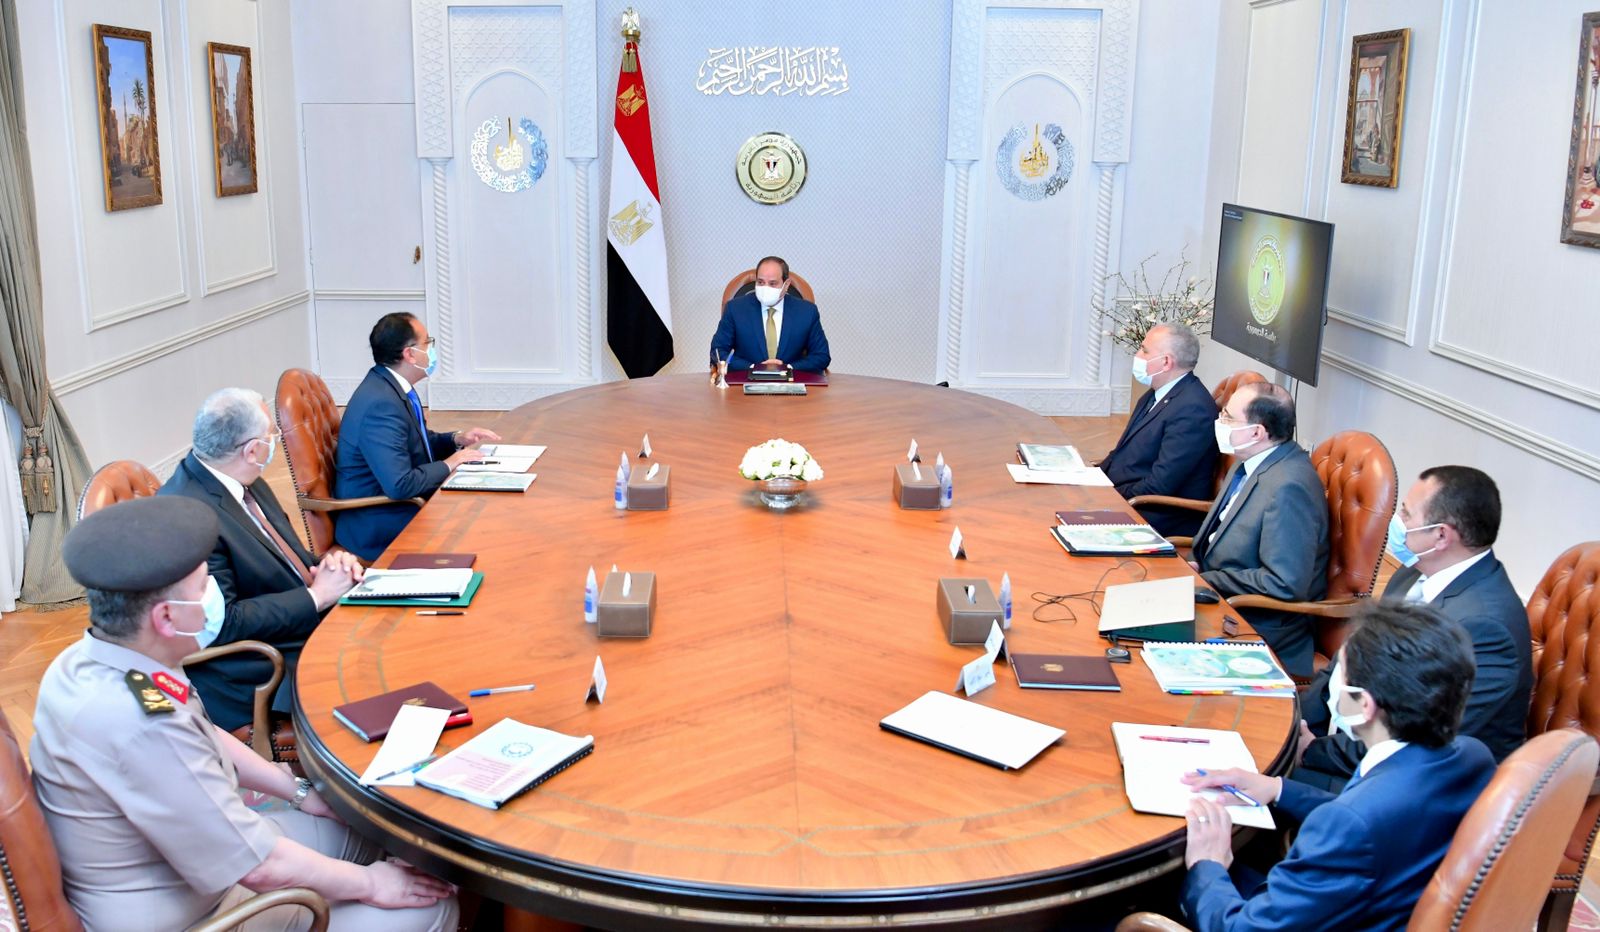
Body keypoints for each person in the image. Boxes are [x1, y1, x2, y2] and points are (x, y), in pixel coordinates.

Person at [31, 496, 457, 930]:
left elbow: (205, 733)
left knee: (370, 832)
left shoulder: (96, 658)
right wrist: (371, 885)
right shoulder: (142, 724)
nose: (214, 596)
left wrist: (299, 792)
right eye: (204, 587)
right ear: (166, 617)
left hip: (191, 859)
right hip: (193, 910)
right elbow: (260, 868)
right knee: (429, 908)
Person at [1179, 602, 1495, 931]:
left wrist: (1207, 864)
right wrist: (1278, 788)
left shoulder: (1350, 824)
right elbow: (1382, 817)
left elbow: (1242, 928)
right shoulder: (1473, 756)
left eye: (1339, 677)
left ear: (1364, 705)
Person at [1299, 466, 1531, 787]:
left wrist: (1311, 750)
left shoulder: (1486, 628)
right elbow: (1349, 659)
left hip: (1419, 782)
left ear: (1441, 535)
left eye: (1406, 514)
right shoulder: (1413, 572)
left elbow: (1414, 741)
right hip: (1356, 740)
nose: (1397, 521)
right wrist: (1299, 723)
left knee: (1259, 783)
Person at [159, 387, 364, 742]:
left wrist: (330, 568)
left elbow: (287, 558)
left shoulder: (240, 477)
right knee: (377, 669)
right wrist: (316, 597)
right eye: (271, 435)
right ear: (253, 450)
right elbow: (223, 623)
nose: (274, 443)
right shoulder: (189, 515)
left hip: (295, 622)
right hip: (260, 663)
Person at [333, 312, 500, 560]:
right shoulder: (380, 404)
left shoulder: (390, 387)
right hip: (379, 523)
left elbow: (414, 443)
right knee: (478, 519)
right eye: (427, 342)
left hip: (399, 507)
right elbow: (400, 485)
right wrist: (450, 463)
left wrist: (456, 439)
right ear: (409, 354)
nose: (431, 349)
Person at [1189, 382, 1329, 677]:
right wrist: (1196, 566)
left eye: (1228, 417)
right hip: (1219, 598)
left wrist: (1208, 580)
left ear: (1257, 432)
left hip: (1258, 623)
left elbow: (1284, 582)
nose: (1219, 422)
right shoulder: (1250, 461)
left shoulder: (1290, 487)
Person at [1097, 323, 1220, 536]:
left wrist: (1111, 496)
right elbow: (1122, 453)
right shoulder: (1156, 393)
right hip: (1127, 497)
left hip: (1155, 513)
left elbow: (1159, 485)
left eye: (1144, 350)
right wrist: (1093, 478)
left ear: (1166, 362)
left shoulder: (1193, 409)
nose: (1137, 355)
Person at [709, 255, 831, 373]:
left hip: (791, 382)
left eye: (772, 283)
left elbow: (822, 356)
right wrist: (753, 367)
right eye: (760, 282)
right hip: (745, 380)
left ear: (786, 285)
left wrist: (788, 368)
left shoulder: (807, 312)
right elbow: (717, 352)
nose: (765, 288)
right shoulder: (735, 309)